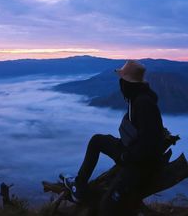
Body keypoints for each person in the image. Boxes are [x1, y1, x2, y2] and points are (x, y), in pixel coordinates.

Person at [63, 60, 168, 216]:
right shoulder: (136, 98)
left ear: (127, 83)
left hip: (139, 165)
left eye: (122, 80)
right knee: (97, 141)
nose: (120, 84)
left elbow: (150, 143)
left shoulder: (144, 103)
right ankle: (79, 185)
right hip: (130, 151)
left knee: (107, 207)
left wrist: (128, 156)